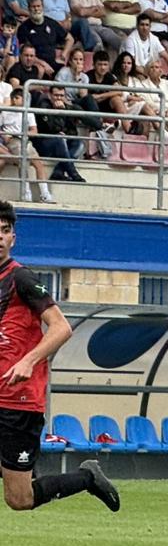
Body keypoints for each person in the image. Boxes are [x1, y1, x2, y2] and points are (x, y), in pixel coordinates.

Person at [0, 201, 119, 514]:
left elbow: (61, 328)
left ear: (13, 238)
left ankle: (87, 477)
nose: (0, 236)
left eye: (5, 230)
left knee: (19, 499)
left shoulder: (21, 279)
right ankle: (23, 471)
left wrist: (29, 360)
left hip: (18, 402)